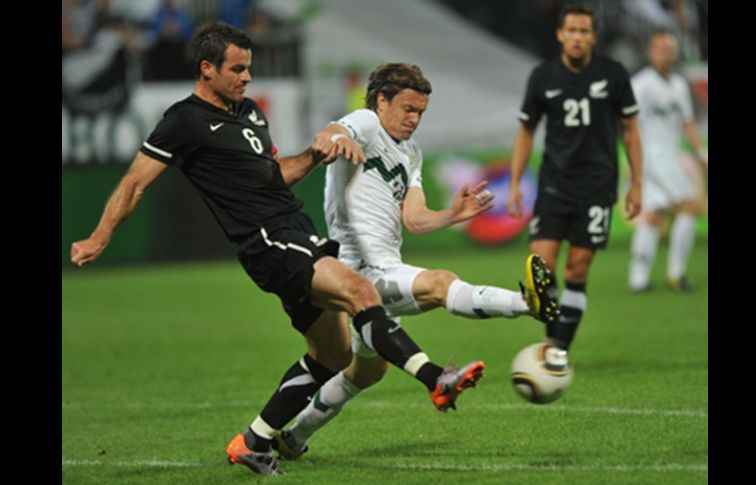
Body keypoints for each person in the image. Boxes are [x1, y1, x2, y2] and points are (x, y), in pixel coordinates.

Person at [69, 23, 485, 477]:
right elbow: (134, 183)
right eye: (238, 69)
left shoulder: (248, 113)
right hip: (266, 239)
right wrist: (100, 235)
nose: (247, 78)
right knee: (361, 293)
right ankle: (436, 380)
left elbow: (275, 175)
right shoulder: (182, 120)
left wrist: (313, 154)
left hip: (294, 229)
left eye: (249, 68)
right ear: (207, 69)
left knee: (334, 357)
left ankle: (251, 441)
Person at [269, 62, 560, 459]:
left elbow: (415, 219)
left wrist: (453, 215)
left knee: (364, 373)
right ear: (382, 100)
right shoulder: (367, 124)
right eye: (407, 109)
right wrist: (335, 137)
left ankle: (293, 438)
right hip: (359, 271)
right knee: (441, 283)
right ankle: (529, 304)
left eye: (421, 112)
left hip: (387, 265)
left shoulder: (411, 152)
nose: (414, 119)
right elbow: (333, 131)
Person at [506, 3, 643, 352]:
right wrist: (516, 184)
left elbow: (630, 130)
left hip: (597, 186)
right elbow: (525, 132)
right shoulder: (542, 76)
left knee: (577, 271)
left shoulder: (613, 74)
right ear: (560, 34)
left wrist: (637, 183)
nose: (578, 37)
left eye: (584, 31)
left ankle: (556, 348)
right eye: (572, 31)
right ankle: (553, 338)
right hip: (554, 184)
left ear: (594, 36)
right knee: (542, 268)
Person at [628, 30, 707, 293]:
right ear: (651, 53)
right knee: (690, 207)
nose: (664, 53)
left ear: (675, 52)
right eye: (659, 48)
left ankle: (638, 279)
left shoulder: (678, 85)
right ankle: (677, 273)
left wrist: (701, 152)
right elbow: (625, 121)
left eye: (669, 48)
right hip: (651, 155)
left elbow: (688, 123)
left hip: (670, 154)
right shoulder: (641, 84)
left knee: (654, 214)